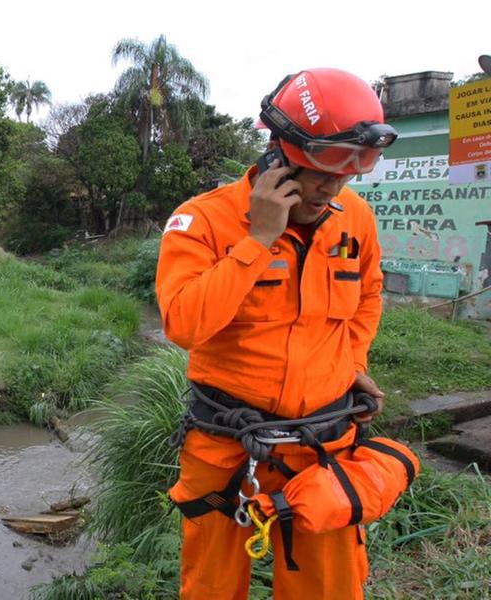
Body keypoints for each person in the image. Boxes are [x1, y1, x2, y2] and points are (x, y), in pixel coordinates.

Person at [155, 68, 397, 600]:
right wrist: (258, 240)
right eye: (317, 174)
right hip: (225, 449)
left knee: (330, 589)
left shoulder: (354, 218)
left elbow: (370, 295)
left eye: (344, 177)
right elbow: (183, 324)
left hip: (325, 443)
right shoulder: (204, 222)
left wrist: (352, 361)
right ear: (278, 157)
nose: (331, 188)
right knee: (211, 589)